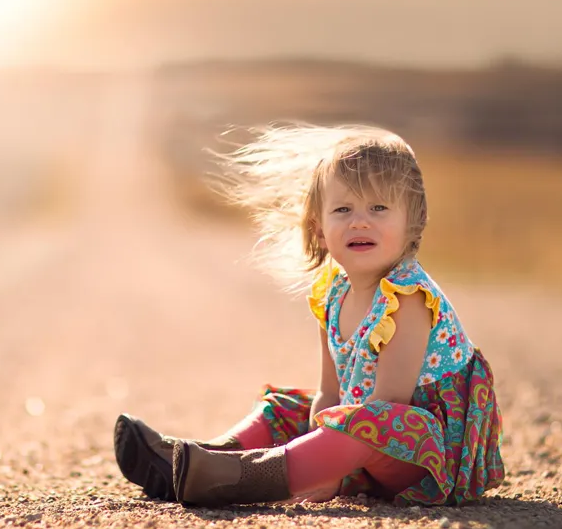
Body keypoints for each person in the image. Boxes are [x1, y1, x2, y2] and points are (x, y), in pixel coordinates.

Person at [113, 124, 505, 507]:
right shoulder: (333, 295)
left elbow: (391, 405)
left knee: (364, 424)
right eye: (343, 209)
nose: (360, 221)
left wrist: (329, 471)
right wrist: (319, 438)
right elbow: (329, 393)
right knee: (285, 409)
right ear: (319, 230)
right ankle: (202, 460)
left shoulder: (409, 299)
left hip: (425, 454)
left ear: (412, 223)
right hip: (362, 435)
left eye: (379, 208)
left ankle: (240, 479)